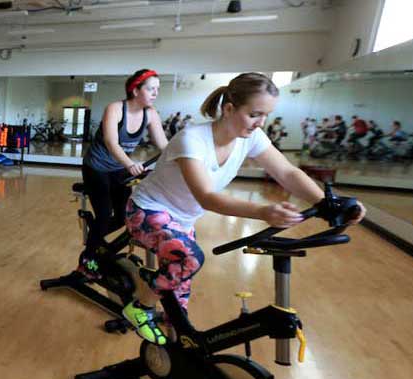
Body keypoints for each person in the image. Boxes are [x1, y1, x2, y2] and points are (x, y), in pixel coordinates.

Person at [119, 72, 366, 345]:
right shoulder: (192, 140)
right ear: (228, 109)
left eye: (266, 116)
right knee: (188, 260)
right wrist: (263, 211)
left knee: (178, 301)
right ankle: (139, 307)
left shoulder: (251, 137)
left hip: (182, 220)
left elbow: (286, 172)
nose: (260, 123)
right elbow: (208, 198)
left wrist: (326, 204)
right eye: (254, 114)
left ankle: (173, 347)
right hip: (146, 211)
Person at [78, 69, 168, 279]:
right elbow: (111, 142)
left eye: (157, 89)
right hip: (96, 168)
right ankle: (87, 258)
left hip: (118, 170)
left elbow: (164, 144)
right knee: (103, 215)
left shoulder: (151, 113)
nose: (155, 93)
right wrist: (130, 164)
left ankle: (96, 238)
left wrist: (184, 157)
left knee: (123, 217)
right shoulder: (116, 109)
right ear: (135, 90)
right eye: (150, 89)